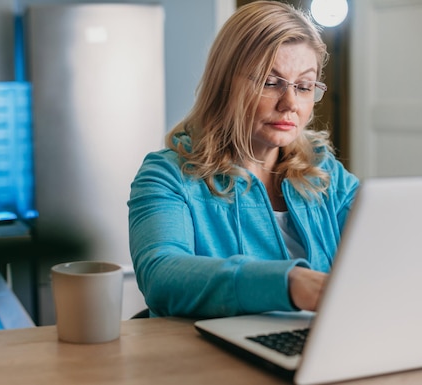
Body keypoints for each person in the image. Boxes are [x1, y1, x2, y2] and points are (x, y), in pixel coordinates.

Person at [128, 0, 359, 318]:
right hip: (209, 360)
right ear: (224, 85)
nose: (290, 103)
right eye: (270, 82)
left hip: (318, 352)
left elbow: (388, 249)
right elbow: (161, 275)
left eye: (304, 86)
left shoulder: (327, 176)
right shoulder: (168, 175)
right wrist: (290, 283)